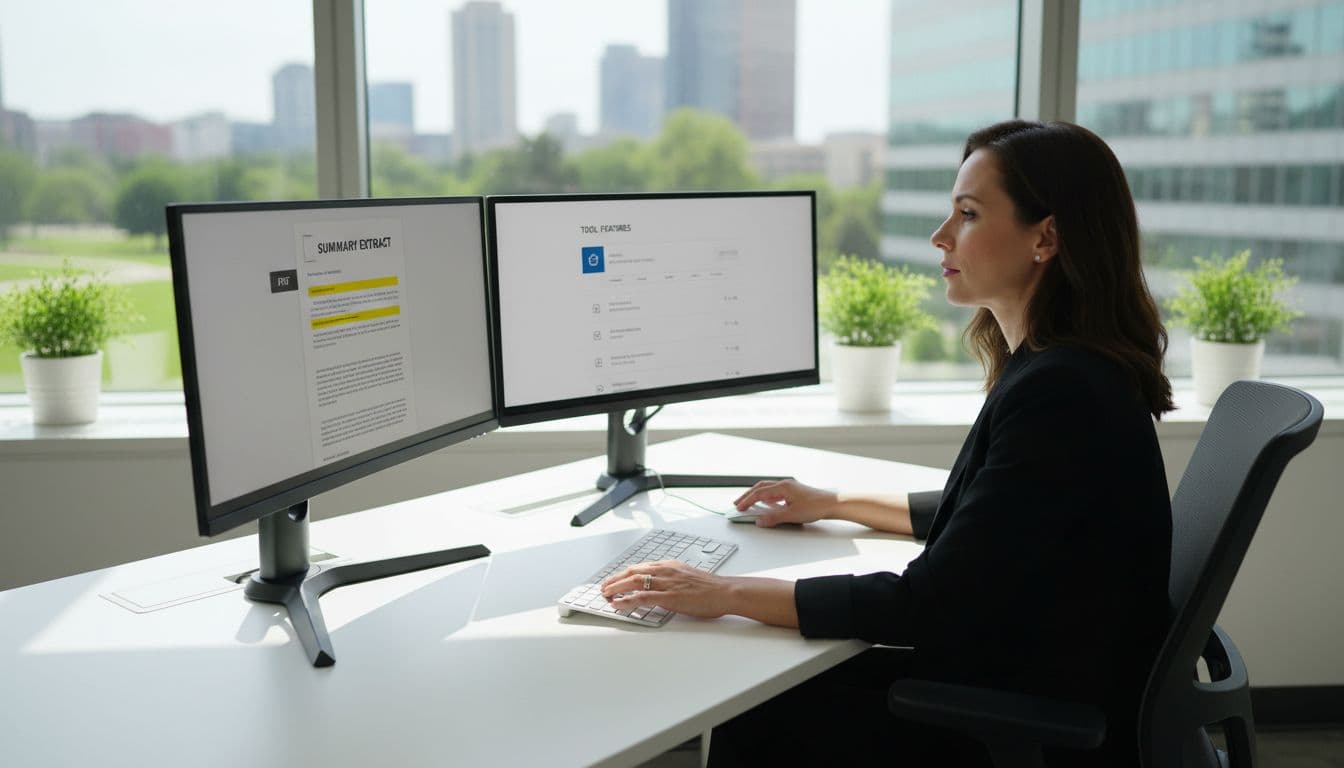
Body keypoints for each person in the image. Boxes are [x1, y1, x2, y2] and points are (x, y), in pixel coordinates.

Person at [601, 120, 1175, 766]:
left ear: (1045, 237)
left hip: (1026, 720)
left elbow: (925, 604)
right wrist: (834, 501)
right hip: (1027, 676)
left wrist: (724, 593)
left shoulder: (1062, 392)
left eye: (967, 214)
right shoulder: (1060, 368)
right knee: (779, 682)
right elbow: (983, 514)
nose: (941, 237)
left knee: (760, 709)